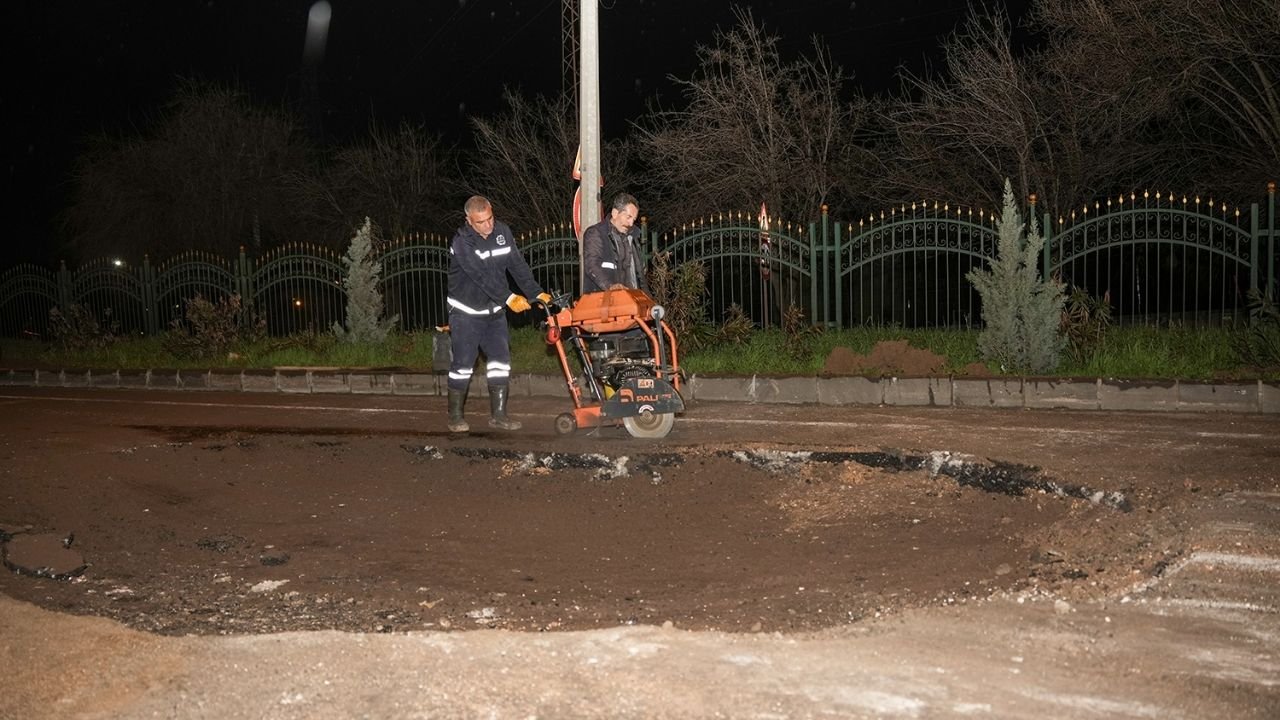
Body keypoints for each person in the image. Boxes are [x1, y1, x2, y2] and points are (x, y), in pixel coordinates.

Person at [445, 195, 550, 433]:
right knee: (463, 365)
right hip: (466, 313)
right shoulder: (462, 242)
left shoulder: (502, 232)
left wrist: (536, 292)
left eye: (490, 218)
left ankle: (499, 416)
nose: (488, 225)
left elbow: (517, 265)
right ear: (469, 221)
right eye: (481, 222)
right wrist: (509, 298)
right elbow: (479, 276)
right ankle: (455, 416)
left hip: (494, 312)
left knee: (501, 362)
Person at [582, 192, 649, 294]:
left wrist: (647, 298)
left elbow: (640, 275)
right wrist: (610, 286)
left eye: (634, 219)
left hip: (631, 299)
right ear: (615, 213)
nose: (631, 223)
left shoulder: (634, 237)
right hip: (604, 300)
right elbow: (592, 265)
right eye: (628, 217)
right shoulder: (596, 233)